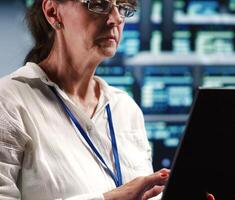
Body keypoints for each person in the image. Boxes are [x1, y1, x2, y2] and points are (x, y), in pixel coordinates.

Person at [0, 0, 216, 200]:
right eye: (98, 4)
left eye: (121, 6)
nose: (116, 19)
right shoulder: (9, 101)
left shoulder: (125, 108)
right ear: (53, 12)